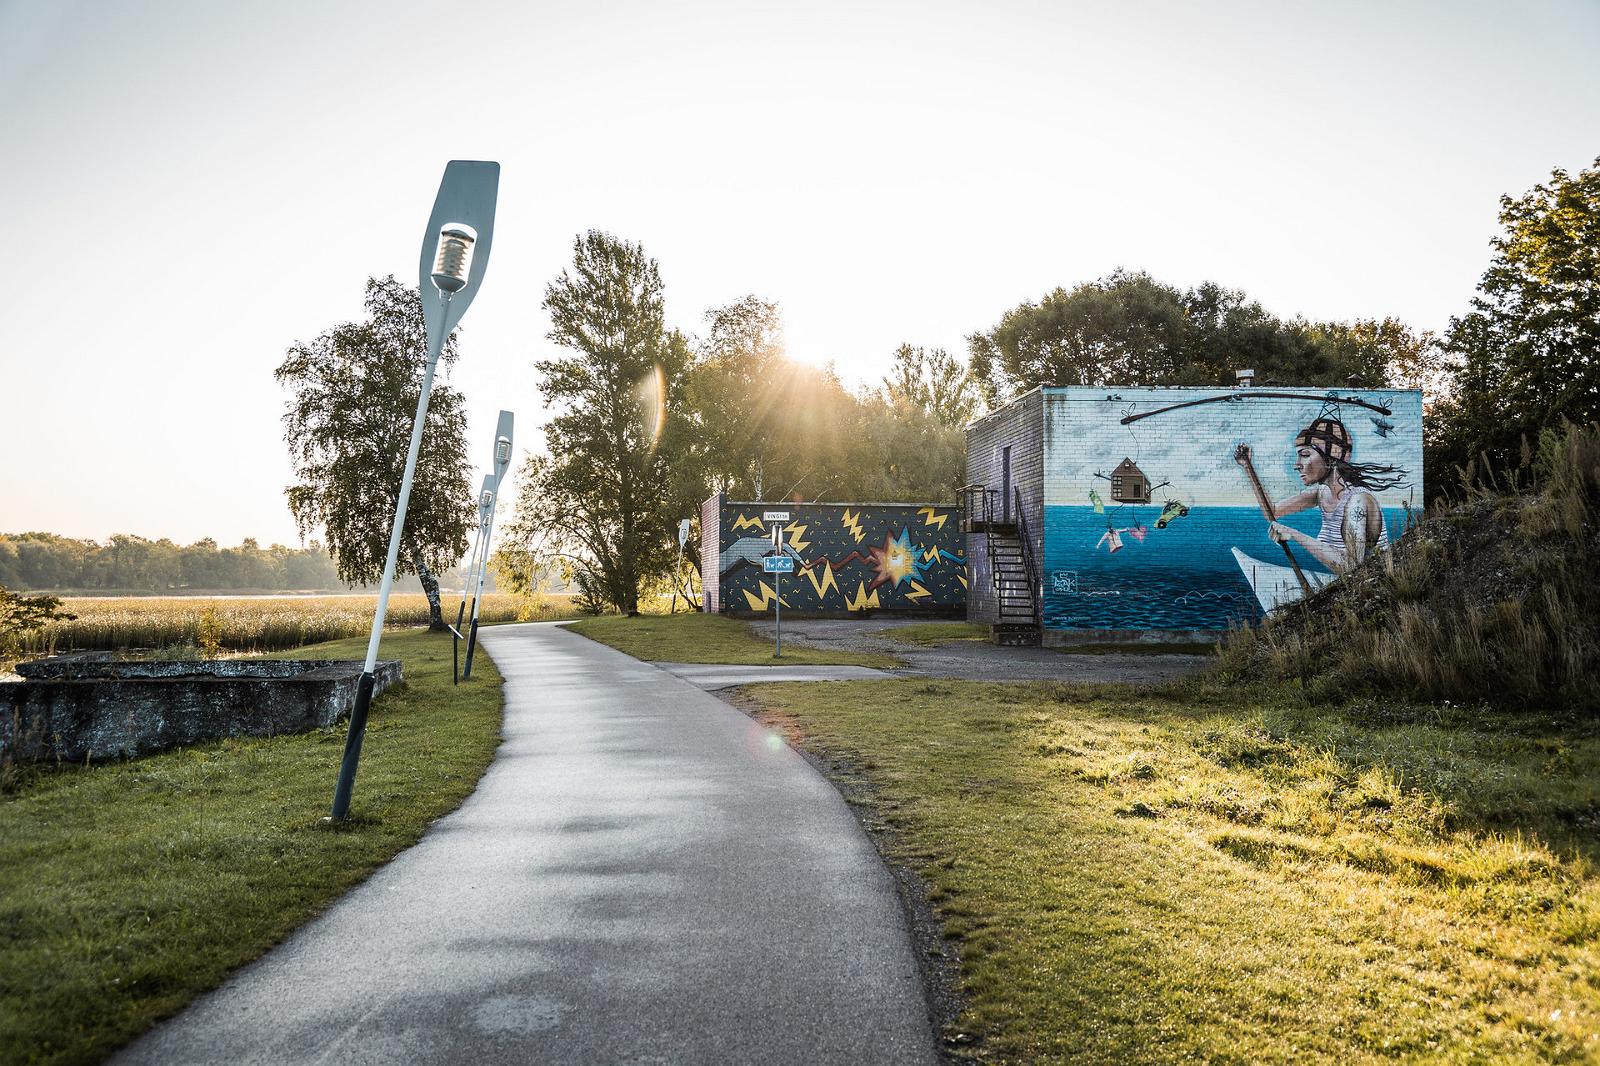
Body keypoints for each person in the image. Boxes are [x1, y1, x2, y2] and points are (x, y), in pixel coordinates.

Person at [1258, 416, 1407, 573]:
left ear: (1331, 459)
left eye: (1305, 454)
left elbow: (1352, 565)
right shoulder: (1322, 493)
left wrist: (1294, 534)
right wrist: (1247, 466)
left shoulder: (1357, 502)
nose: (1297, 464)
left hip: (1371, 587)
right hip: (1347, 588)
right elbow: (1272, 512)